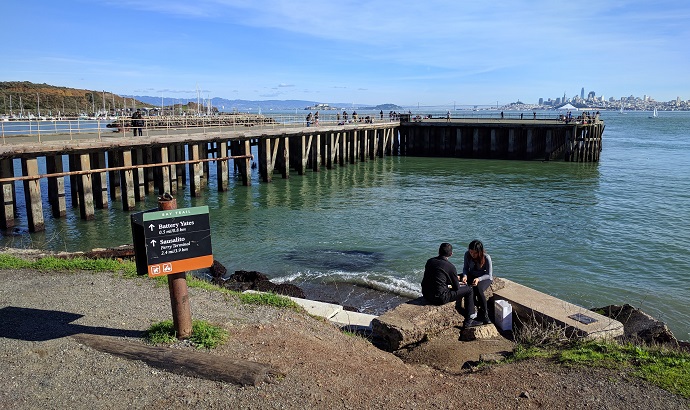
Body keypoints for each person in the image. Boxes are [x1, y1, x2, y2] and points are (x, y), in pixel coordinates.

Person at [421, 243, 482, 328]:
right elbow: (456, 288)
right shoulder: (450, 266)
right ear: (451, 254)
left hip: (426, 294)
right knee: (469, 289)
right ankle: (469, 320)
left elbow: (437, 278)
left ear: (439, 251)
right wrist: (457, 282)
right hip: (439, 298)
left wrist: (450, 281)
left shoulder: (430, 261)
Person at [461, 240, 493, 324]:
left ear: (480, 252)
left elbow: (489, 274)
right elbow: (465, 268)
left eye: (474, 253)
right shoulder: (467, 255)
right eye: (471, 252)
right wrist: (465, 275)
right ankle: (472, 311)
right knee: (455, 278)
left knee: (478, 288)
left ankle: (485, 314)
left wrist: (479, 279)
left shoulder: (486, 257)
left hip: (484, 277)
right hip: (471, 275)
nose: (472, 254)